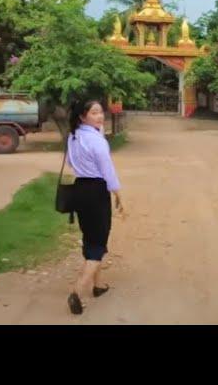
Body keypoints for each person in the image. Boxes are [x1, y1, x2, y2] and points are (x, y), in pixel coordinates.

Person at [65, 99, 124, 315]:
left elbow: (71, 163)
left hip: (79, 188)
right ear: (83, 116)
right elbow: (107, 170)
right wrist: (118, 194)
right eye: (94, 113)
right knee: (98, 242)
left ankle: (98, 286)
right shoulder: (97, 141)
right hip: (96, 191)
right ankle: (77, 292)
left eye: (101, 112)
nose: (100, 117)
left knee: (91, 237)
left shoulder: (73, 136)